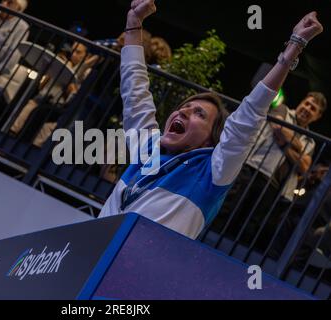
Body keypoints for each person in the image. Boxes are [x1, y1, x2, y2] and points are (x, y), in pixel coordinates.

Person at [98, 0, 324, 239]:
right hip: (91, 259)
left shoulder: (212, 172)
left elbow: (249, 114)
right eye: (184, 107)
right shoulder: (147, 147)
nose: (183, 112)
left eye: (199, 114)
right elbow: (135, 89)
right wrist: (134, 25)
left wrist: (294, 47)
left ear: (210, 141)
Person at [213, 92, 327, 244]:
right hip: (252, 168)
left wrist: (284, 143)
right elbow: (278, 126)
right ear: (301, 102)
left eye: (313, 108)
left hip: (274, 186)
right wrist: (298, 148)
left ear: (317, 116)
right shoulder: (283, 109)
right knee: (228, 210)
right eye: (307, 103)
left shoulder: (310, 141)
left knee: (249, 226)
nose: (307, 108)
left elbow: (305, 166)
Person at [9, 41, 97, 145]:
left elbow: (73, 95)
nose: (73, 54)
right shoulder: (64, 63)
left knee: (41, 136)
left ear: (87, 56)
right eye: (73, 51)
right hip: (41, 99)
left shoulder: (86, 73)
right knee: (20, 119)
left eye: (78, 52)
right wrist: (53, 68)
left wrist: (65, 73)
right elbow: (40, 86)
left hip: (58, 109)